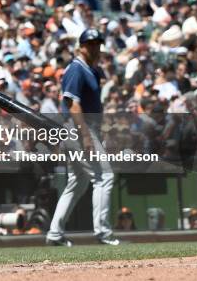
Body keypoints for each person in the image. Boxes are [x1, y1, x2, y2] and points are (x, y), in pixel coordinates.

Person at [46, 28, 120, 247]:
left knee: (76, 183)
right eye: (91, 44)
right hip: (78, 128)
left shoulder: (92, 70)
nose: (95, 47)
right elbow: (72, 104)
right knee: (104, 177)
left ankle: (55, 234)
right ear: (81, 46)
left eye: (98, 43)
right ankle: (103, 233)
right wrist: (86, 136)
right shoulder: (76, 68)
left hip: (83, 129)